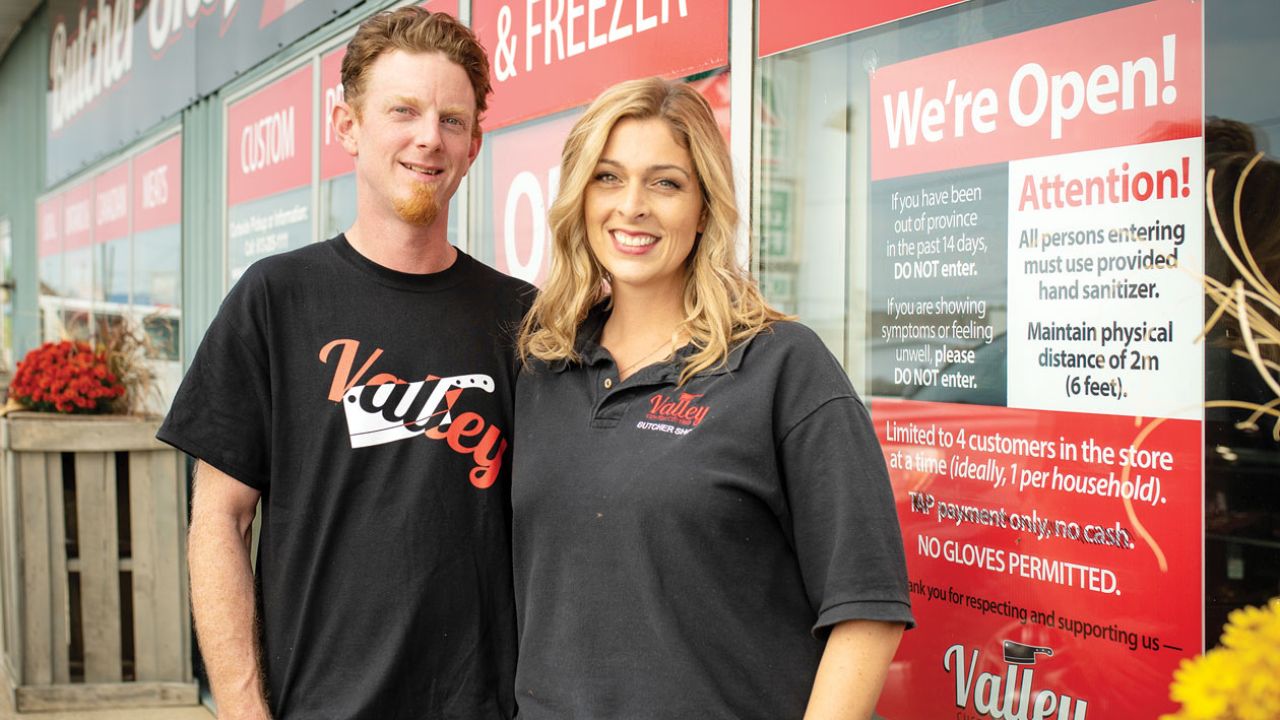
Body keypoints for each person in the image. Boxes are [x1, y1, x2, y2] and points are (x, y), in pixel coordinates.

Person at [158, 8, 529, 719]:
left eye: (453, 119)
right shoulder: (276, 299)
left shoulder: (522, 319)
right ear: (347, 126)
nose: (430, 137)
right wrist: (243, 711)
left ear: (476, 143)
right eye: (404, 111)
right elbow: (218, 522)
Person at [513, 77, 914, 719]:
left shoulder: (781, 366)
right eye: (608, 178)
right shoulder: (542, 368)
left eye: (666, 182)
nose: (633, 206)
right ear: (579, 197)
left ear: (703, 208)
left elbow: (867, 608)